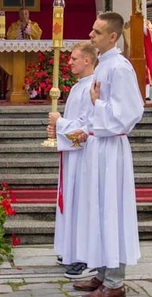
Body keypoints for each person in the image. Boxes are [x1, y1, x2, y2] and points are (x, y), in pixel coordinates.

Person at [73, 11, 144, 297]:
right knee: (97, 209)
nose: (91, 35)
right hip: (96, 146)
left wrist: (97, 107)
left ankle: (115, 282)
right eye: (92, 31)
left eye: (97, 32)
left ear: (112, 37)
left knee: (111, 209)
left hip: (112, 147)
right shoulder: (102, 66)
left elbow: (130, 112)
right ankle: (102, 273)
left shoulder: (120, 68)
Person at [46, 41, 97, 279]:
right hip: (72, 155)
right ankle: (70, 250)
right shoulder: (78, 87)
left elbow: (89, 125)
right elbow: (73, 121)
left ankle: (86, 257)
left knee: (82, 203)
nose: (69, 62)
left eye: (74, 58)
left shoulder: (93, 88)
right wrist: (57, 128)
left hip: (85, 156)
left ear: (87, 60)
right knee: (71, 202)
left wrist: (60, 123)